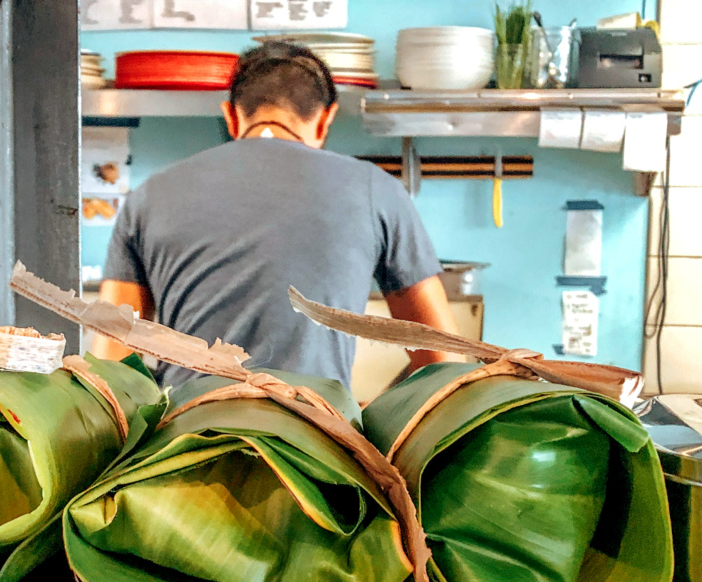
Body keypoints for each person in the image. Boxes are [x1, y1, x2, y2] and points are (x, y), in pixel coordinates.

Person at [93, 41, 460, 388]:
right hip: (312, 442)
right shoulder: (375, 189)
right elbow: (441, 359)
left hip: (186, 443)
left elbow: (112, 364)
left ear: (231, 118)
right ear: (325, 120)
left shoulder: (149, 195)